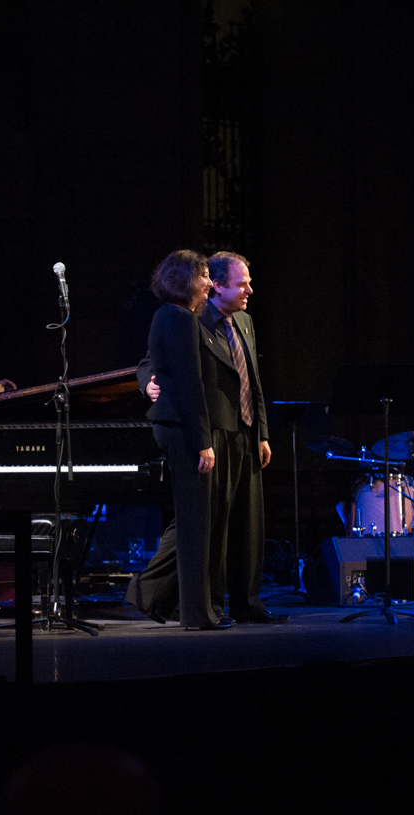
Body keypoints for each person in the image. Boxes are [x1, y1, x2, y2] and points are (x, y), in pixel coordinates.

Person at [127, 252, 288, 625]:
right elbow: (156, 363)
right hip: (211, 429)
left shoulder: (244, 321)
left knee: (245, 523)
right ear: (216, 284)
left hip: (244, 429)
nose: (250, 289)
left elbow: (253, 380)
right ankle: (198, 604)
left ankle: (245, 603)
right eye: (242, 283)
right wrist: (147, 384)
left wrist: (261, 432)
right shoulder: (190, 317)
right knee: (206, 520)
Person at [138, 250, 228, 630]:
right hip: (182, 427)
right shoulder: (178, 317)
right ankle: (195, 613)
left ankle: (192, 609)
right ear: (184, 279)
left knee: (195, 521)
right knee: (194, 524)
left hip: (176, 424)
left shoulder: (172, 316)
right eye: (205, 274)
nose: (210, 282)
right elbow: (192, 385)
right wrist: (204, 441)